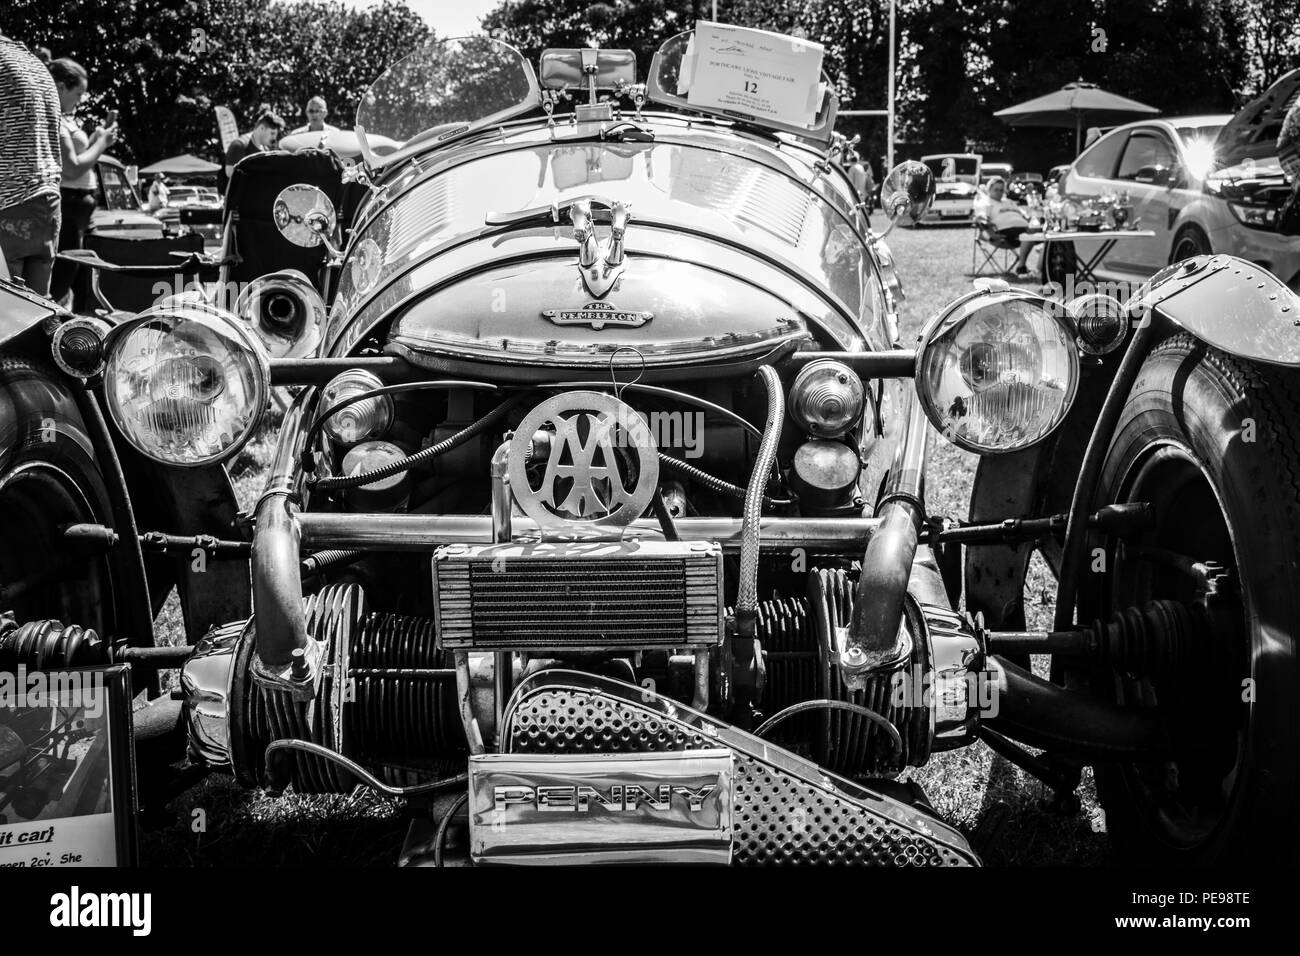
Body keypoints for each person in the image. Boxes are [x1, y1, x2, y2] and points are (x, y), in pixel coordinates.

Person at [48, 57, 117, 304]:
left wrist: (95, 139)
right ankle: (47, 330)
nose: (80, 100)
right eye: (78, 93)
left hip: (82, 206)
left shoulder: (66, 118)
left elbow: (79, 158)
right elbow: (73, 168)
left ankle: (81, 330)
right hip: (71, 203)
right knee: (65, 275)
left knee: (87, 276)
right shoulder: (56, 119)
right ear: (60, 87)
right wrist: (101, 143)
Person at [0, 33, 62, 296]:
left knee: (7, 319)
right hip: (47, 207)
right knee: (35, 320)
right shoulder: (32, 61)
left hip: (7, 203)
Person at [974, 176, 1038, 277]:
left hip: (1025, 228)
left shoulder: (1009, 202)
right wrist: (991, 233)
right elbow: (981, 218)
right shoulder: (986, 203)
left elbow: (1025, 215)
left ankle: (1041, 269)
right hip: (1005, 233)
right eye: (996, 190)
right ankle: (1022, 267)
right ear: (989, 190)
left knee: (1046, 236)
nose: (999, 192)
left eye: (1001, 190)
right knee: (1029, 235)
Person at [222, 110, 285, 186]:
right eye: (272, 133)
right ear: (262, 128)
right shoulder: (239, 145)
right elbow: (230, 173)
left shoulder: (265, 150)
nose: (274, 138)